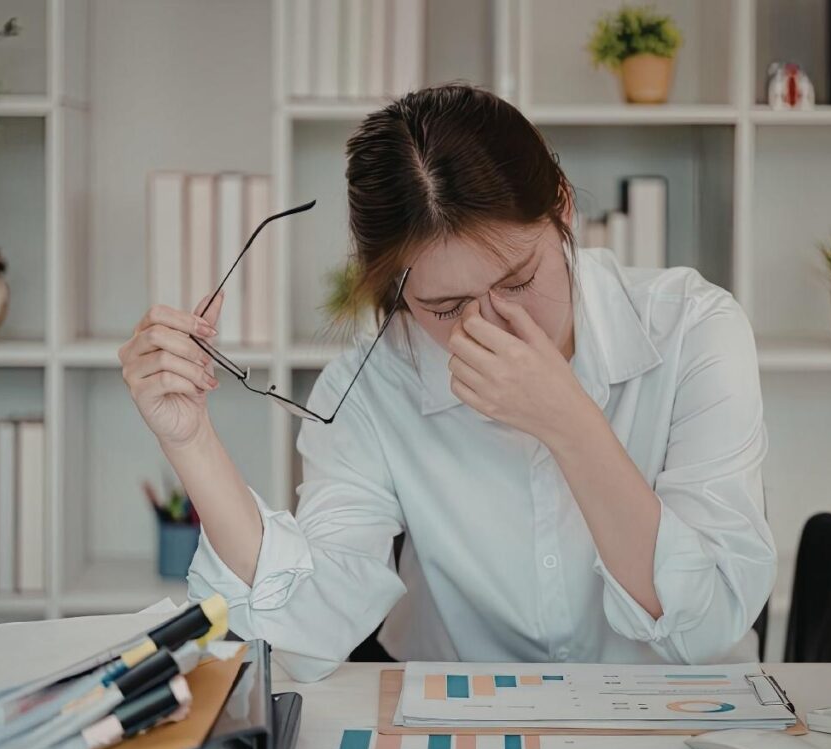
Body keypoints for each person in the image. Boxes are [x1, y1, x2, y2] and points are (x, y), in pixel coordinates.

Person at [119, 84, 776, 683]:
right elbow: (310, 630)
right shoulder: (373, 384)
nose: (493, 323)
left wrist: (569, 424)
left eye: (518, 281)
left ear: (564, 210)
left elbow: (708, 621)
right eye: (445, 307)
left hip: (679, 717)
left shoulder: (693, 329)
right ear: (397, 294)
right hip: (454, 723)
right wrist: (192, 441)